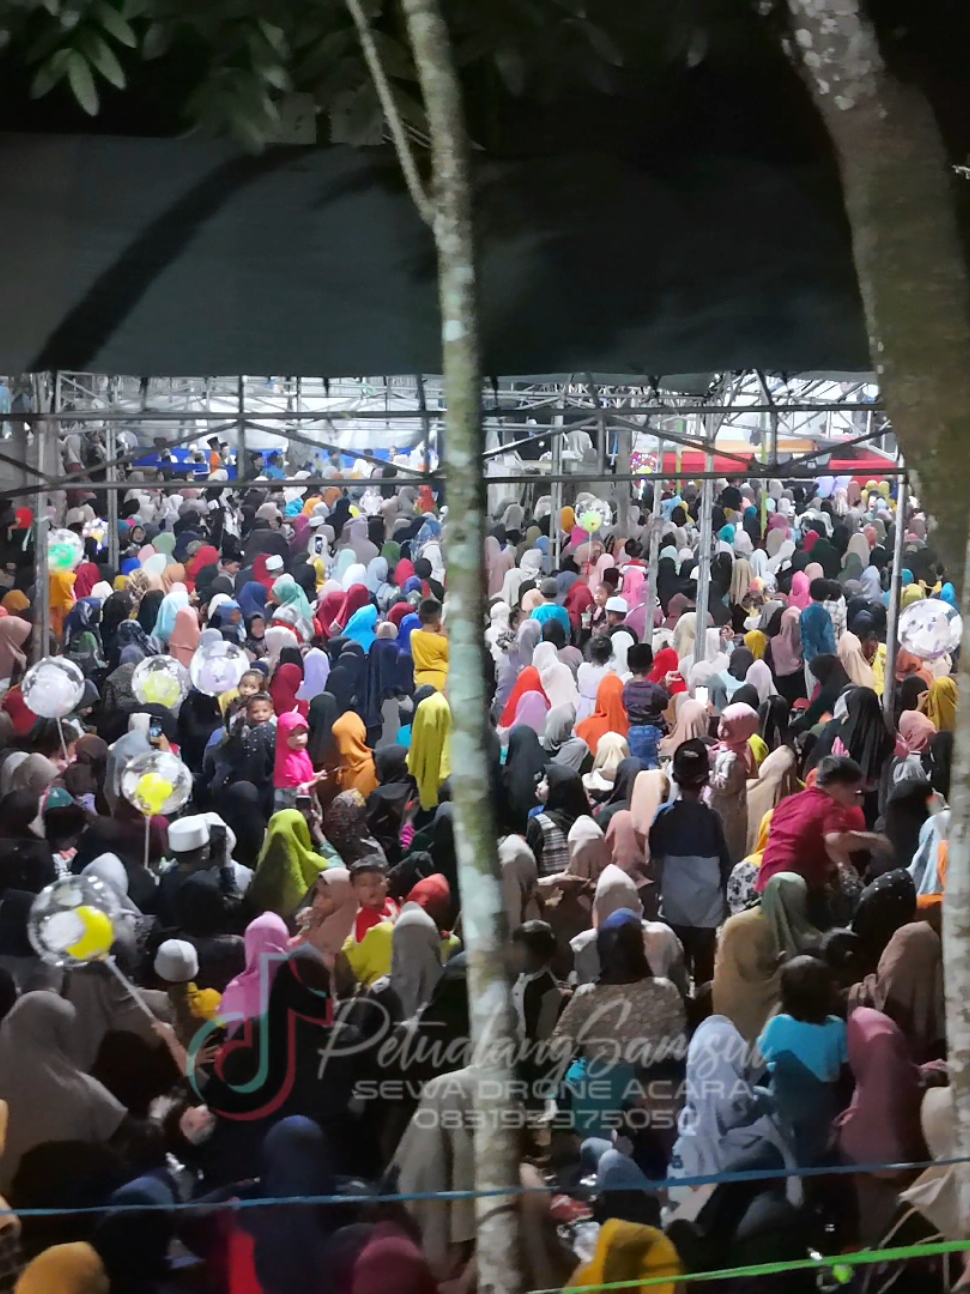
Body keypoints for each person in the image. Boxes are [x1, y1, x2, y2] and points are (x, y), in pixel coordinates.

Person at [648, 740, 730, 986]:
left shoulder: (663, 816)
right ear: (705, 779)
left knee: (676, 972)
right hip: (708, 911)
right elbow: (724, 865)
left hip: (674, 906)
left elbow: (655, 860)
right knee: (705, 971)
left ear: (674, 777)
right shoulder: (712, 819)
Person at [756, 755, 884, 906]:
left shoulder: (790, 801)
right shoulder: (829, 805)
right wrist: (874, 840)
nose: (856, 799)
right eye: (854, 792)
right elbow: (837, 840)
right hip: (795, 888)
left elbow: (773, 831)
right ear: (838, 787)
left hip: (768, 881)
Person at [758, 955, 848, 1164]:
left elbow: (761, 1057)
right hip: (821, 1110)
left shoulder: (776, 1025)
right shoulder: (837, 1028)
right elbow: (844, 1064)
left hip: (781, 1106)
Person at [622, 642, 668, 767]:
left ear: (629, 667)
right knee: (652, 764)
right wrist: (664, 689)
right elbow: (664, 704)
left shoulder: (626, 687)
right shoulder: (654, 689)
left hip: (633, 732)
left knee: (636, 763)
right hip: (653, 733)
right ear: (651, 667)